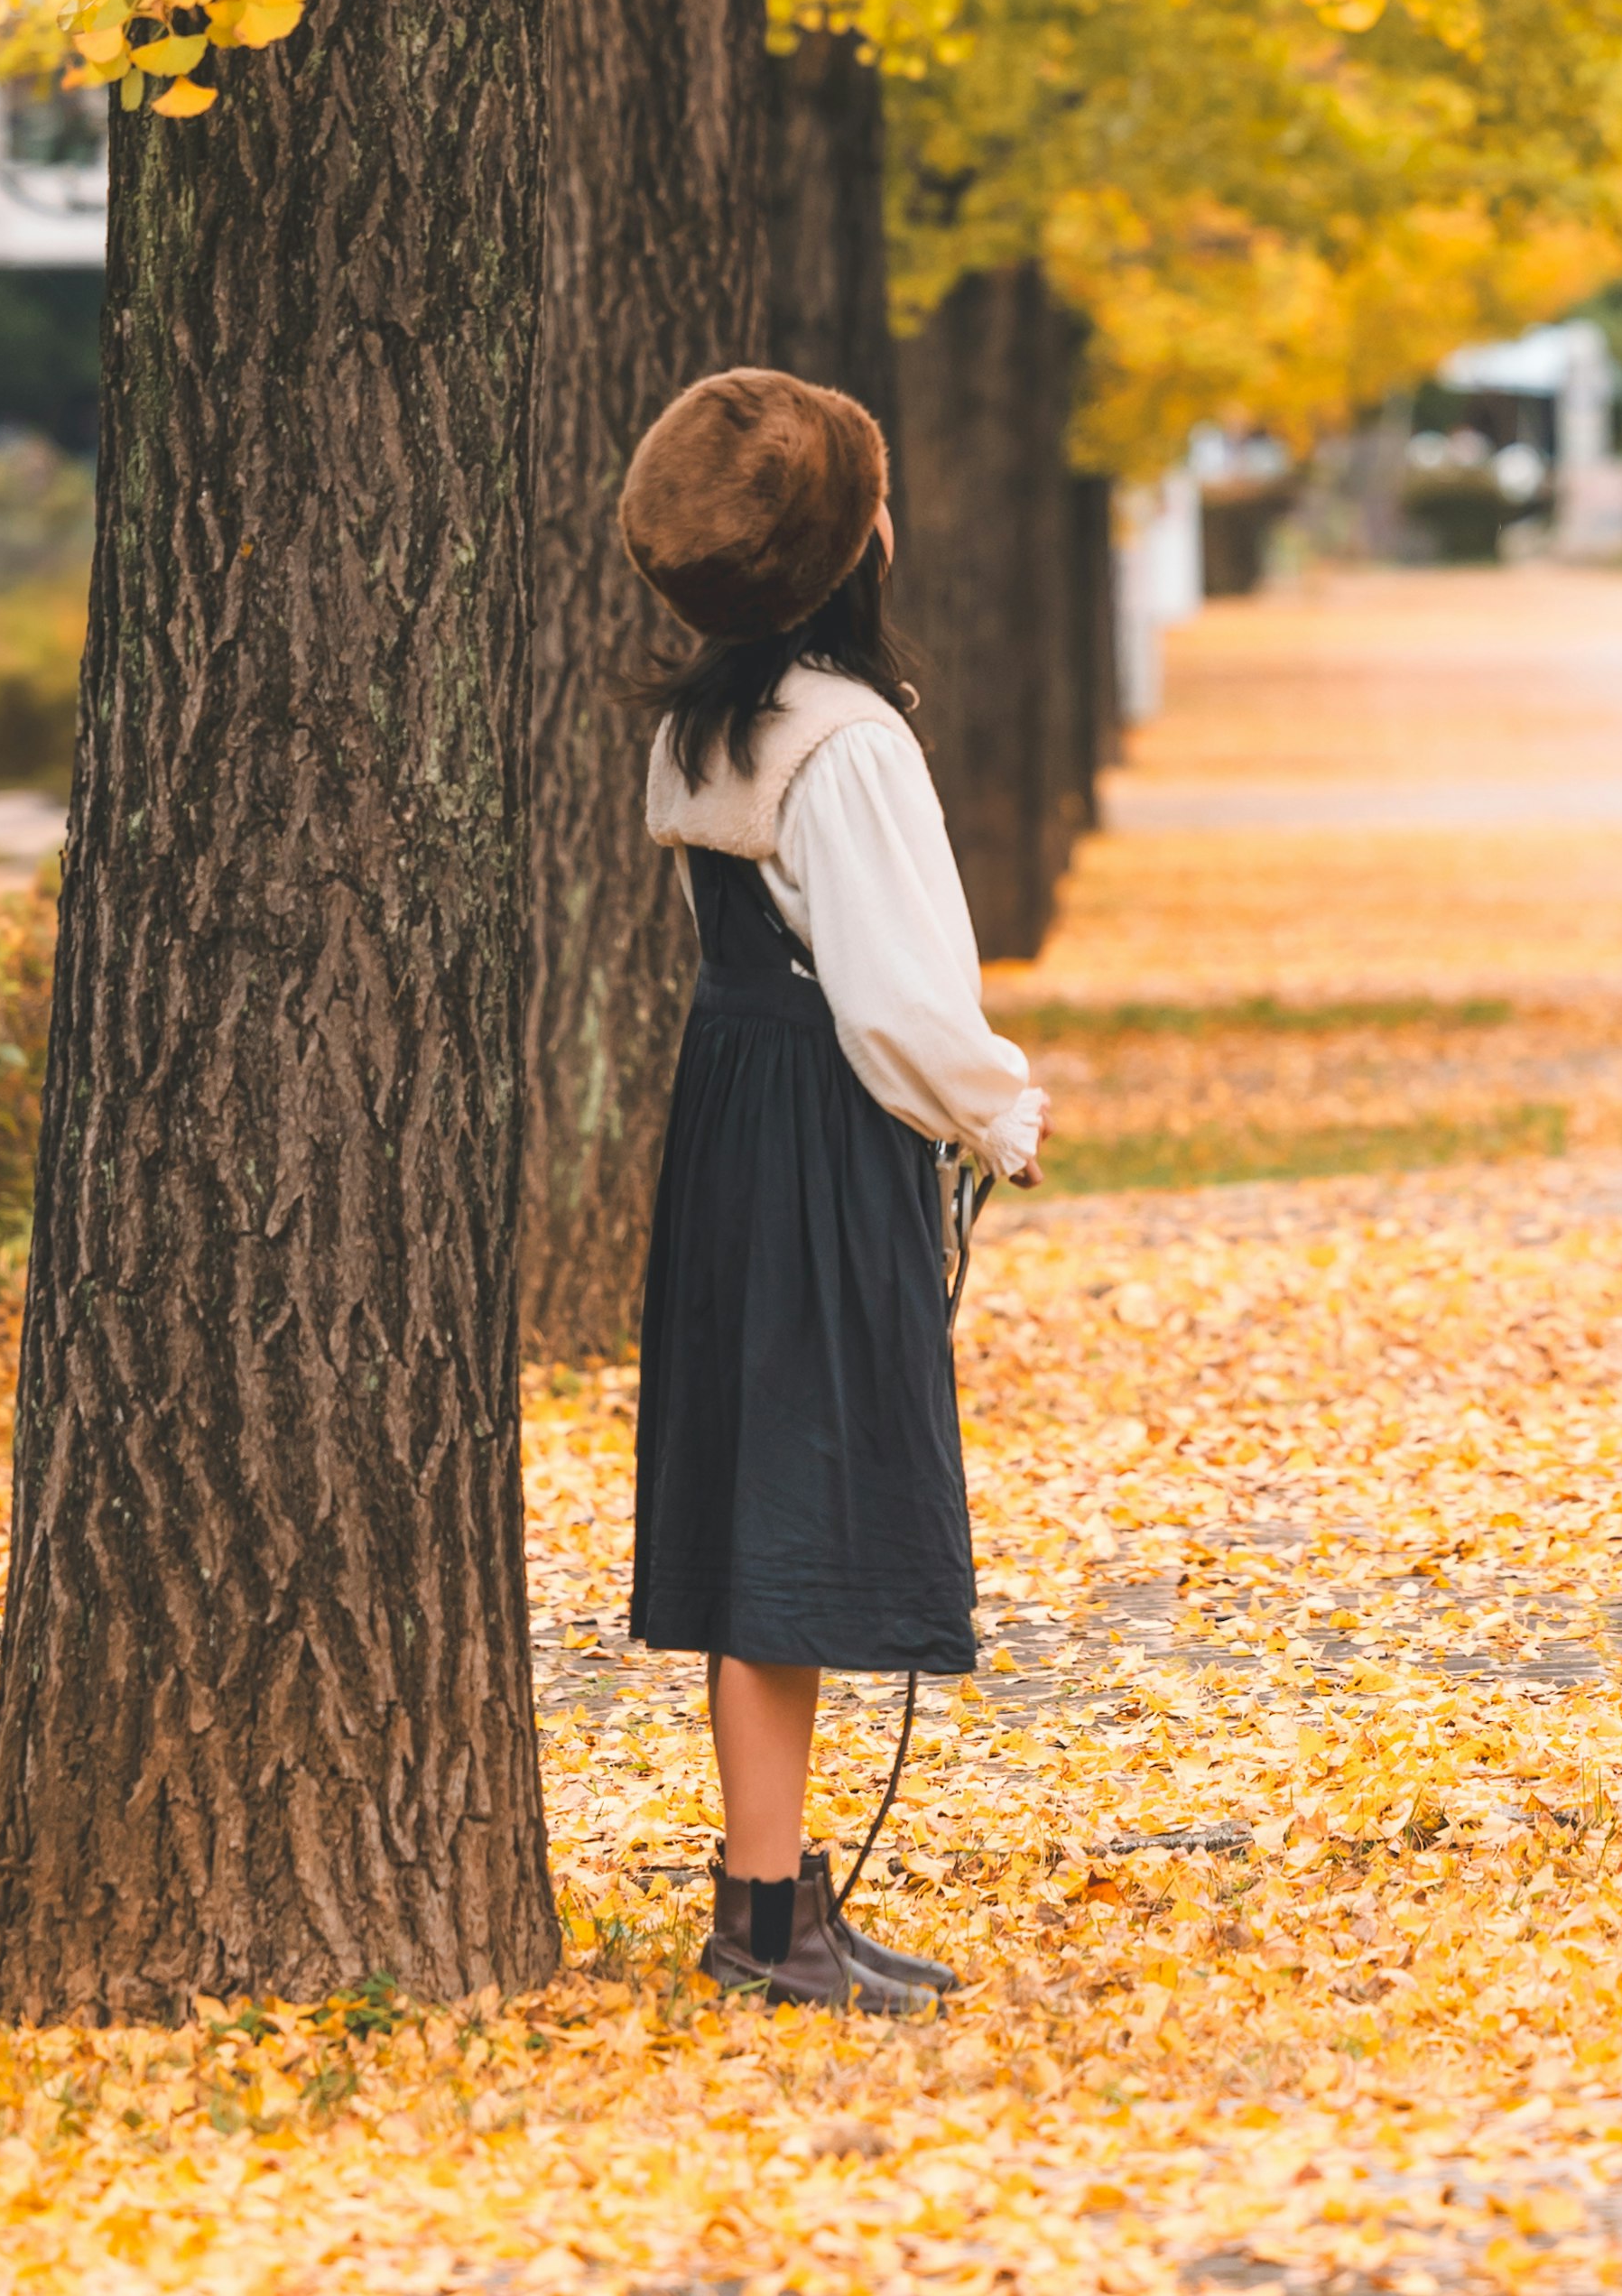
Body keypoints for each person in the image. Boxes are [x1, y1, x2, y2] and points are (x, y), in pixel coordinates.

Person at [617, 366, 1053, 2014]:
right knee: (795, 1504)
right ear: (854, 544)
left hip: (730, 1112)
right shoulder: (852, 743)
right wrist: (1000, 1110)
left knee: (760, 1513)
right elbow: (896, 995)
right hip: (820, 1120)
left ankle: (773, 1893)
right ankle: (765, 1913)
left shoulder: (706, 727)